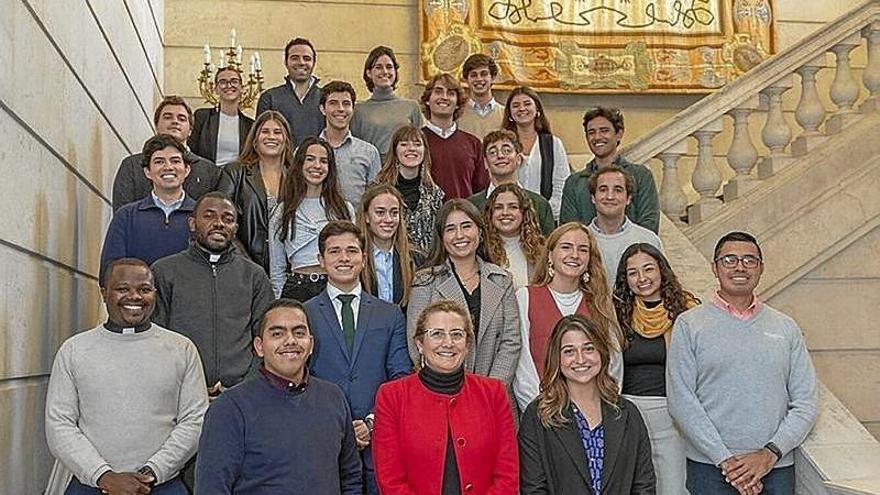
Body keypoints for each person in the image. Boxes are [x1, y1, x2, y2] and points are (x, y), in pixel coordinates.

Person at [668, 232, 818, 495]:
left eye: (750, 260)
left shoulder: (785, 327)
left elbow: (806, 401)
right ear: (714, 268)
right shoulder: (689, 325)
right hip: (711, 469)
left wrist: (770, 454)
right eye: (729, 260)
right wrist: (726, 461)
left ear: (761, 268)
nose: (740, 266)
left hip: (775, 468)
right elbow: (681, 400)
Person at [46, 258, 208, 495]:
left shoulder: (181, 349)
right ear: (104, 293)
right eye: (123, 289)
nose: (135, 297)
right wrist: (103, 475)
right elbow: (59, 424)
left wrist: (151, 472)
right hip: (92, 485)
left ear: (154, 293)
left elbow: (195, 419)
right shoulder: (75, 350)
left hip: (161, 484)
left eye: (144, 289)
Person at [195, 299, 362, 494]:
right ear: (259, 346)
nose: (290, 340)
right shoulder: (229, 408)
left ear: (311, 344)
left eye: (299, 333)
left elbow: (350, 477)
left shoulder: (333, 397)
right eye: (277, 334)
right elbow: (212, 488)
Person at [304, 221, 413, 495]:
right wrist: (336, 426)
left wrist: (371, 423)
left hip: (379, 443)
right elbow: (299, 377)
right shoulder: (303, 315)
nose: (344, 258)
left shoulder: (390, 314)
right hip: (323, 444)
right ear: (321, 260)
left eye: (351, 251)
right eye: (335, 251)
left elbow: (401, 377)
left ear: (364, 259)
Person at [373, 299, 519, 493]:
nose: (448, 343)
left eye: (457, 334)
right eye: (437, 334)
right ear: (419, 344)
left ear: (467, 345)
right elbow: (390, 478)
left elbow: (507, 473)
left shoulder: (493, 393)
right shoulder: (392, 396)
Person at [152, 192, 274, 396]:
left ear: (235, 229)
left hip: (241, 395)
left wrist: (245, 383)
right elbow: (155, 335)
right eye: (209, 216)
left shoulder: (254, 275)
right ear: (192, 223)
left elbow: (266, 335)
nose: (219, 223)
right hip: (180, 393)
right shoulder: (164, 271)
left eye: (228, 219)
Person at [519, 314, 656, 494]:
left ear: (601, 352)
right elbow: (533, 488)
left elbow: (644, 484)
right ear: (557, 359)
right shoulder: (538, 416)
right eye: (569, 351)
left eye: (589, 348)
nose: (581, 359)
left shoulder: (628, 413)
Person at [613, 243, 699, 495]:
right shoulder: (617, 313)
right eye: (632, 272)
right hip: (628, 413)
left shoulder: (689, 311)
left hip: (673, 416)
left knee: (673, 487)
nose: (642, 279)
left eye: (648, 269)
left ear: (662, 270)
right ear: (625, 279)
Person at [406, 199, 521, 388]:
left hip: (494, 396)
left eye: (466, 226)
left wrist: (489, 391)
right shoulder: (424, 282)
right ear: (441, 237)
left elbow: (511, 342)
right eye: (450, 229)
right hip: (441, 392)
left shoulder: (502, 279)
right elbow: (416, 341)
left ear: (480, 232)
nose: (459, 235)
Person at [513, 222, 623, 412]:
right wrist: (540, 411)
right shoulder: (526, 297)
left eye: (583, 250)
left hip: (595, 414)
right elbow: (522, 365)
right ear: (550, 255)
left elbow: (614, 363)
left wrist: (600, 409)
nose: (574, 255)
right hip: (544, 413)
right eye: (566, 247)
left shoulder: (600, 303)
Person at [100, 134, 195, 283]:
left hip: (188, 303)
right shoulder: (126, 216)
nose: (168, 167)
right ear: (147, 172)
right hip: (141, 302)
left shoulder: (202, 216)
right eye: (159, 161)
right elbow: (110, 270)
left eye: (175, 161)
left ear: (187, 169)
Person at [270, 136, 355, 300]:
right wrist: (280, 302)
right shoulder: (283, 211)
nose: (317, 166)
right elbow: (277, 268)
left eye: (323, 161)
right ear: (300, 164)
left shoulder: (344, 209)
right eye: (310, 159)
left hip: (335, 288)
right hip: (296, 288)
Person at [216, 110, 293, 275]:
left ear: (286, 140)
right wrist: (247, 265)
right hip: (243, 268)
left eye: (277, 132)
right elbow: (221, 220)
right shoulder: (235, 172)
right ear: (255, 140)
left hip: (289, 271)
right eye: (265, 131)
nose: (271, 136)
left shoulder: (297, 178)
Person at [561, 107, 660, 233]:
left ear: (619, 134)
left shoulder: (641, 176)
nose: (597, 137)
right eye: (591, 132)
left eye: (604, 131)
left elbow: (649, 224)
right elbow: (568, 230)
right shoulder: (574, 183)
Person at [113, 96, 220, 211]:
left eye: (182, 118)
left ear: (190, 130)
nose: (175, 121)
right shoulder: (132, 166)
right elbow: (121, 214)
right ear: (156, 126)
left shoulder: (210, 171)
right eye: (168, 117)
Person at [468, 129, 555, 235]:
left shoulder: (539, 204)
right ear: (486, 163)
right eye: (493, 152)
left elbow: (549, 247)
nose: (500, 156)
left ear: (518, 159)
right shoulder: (472, 206)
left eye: (507, 151)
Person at [587, 165, 662, 287]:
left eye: (618, 190)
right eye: (603, 189)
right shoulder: (580, 241)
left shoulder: (648, 239)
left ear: (628, 198)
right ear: (593, 198)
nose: (610, 196)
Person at [502, 86, 570, 220]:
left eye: (527, 104)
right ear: (509, 114)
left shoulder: (553, 144)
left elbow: (561, 186)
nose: (522, 109)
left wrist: (543, 213)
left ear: (537, 109)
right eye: (516, 105)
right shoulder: (503, 145)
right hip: (509, 217)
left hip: (546, 218)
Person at [374, 125, 444, 254]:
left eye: (417, 144)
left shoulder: (435, 193)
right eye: (404, 144)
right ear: (395, 150)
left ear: (425, 151)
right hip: (389, 260)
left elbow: (440, 235)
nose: (411, 149)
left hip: (427, 266)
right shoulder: (378, 190)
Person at [420, 73, 488, 200]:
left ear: (457, 103)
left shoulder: (473, 143)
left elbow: (481, 191)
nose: (444, 97)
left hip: (463, 217)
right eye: (438, 92)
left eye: (451, 93)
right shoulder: (415, 142)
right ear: (428, 100)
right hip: (426, 219)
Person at [357, 184, 425, 308]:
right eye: (380, 212)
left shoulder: (416, 259)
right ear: (367, 216)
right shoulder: (355, 258)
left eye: (394, 213)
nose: (388, 219)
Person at [350, 45, 422, 160]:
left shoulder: (412, 107)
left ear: (395, 71)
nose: (384, 71)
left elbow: (420, 146)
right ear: (369, 73)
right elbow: (355, 149)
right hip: (373, 172)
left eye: (389, 67)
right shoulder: (358, 110)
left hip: (404, 172)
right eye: (378, 67)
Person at [319, 80, 381, 205]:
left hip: (356, 223)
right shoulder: (305, 152)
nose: (340, 109)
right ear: (322, 109)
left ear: (353, 109)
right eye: (333, 103)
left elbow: (376, 199)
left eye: (346, 103)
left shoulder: (369, 152)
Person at [256, 37, 324, 146]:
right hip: (281, 162)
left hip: (316, 162)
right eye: (295, 58)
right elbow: (261, 139)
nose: (301, 62)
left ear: (314, 63)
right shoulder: (270, 98)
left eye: (307, 58)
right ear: (286, 62)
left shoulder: (326, 98)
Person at [482, 184, 545, 289]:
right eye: (498, 207)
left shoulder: (541, 250)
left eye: (513, 207)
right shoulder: (481, 250)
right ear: (490, 214)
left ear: (524, 212)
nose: (505, 212)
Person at [189, 66, 254, 166]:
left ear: (242, 88)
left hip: (236, 178)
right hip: (208, 175)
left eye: (234, 81)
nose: (229, 85)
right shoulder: (202, 117)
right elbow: (191, 150)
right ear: (216, 89)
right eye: (223, 82)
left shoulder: (250, 125)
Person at [457, 53, 504, 139]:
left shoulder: (505, 114)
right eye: (473, 75)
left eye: (484, 74)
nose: (479, 79)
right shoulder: (457, 114)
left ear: (492, 78)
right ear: (466, 80)